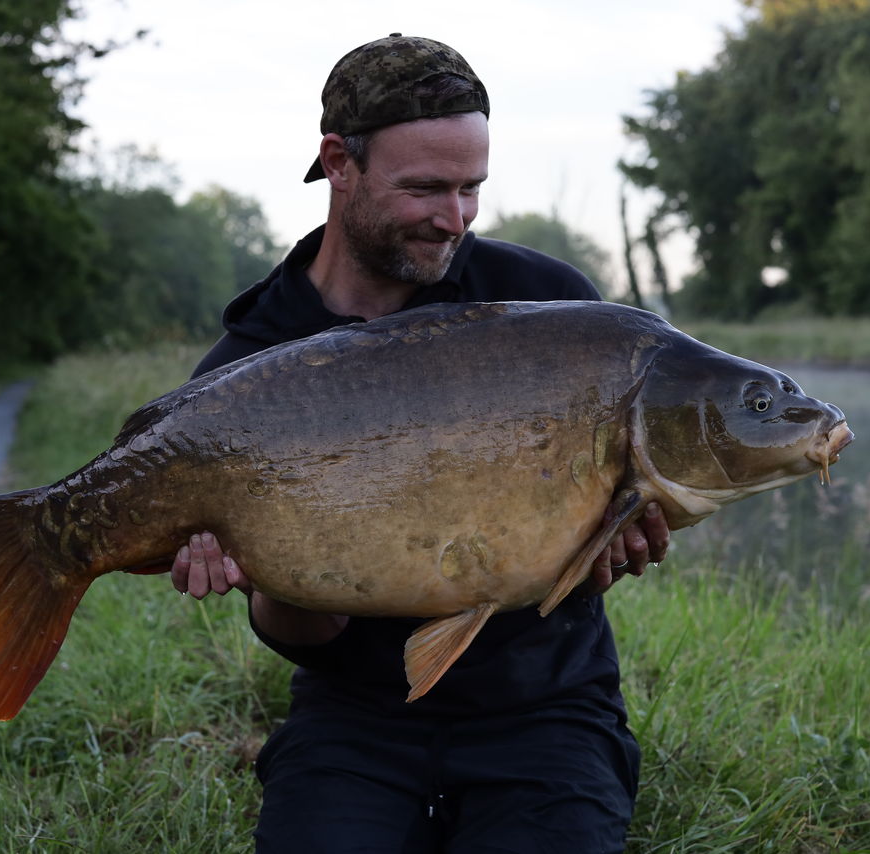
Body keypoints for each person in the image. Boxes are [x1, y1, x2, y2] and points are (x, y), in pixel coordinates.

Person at [170, 34, 670, 853]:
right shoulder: (249, 369)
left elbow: (598, 530)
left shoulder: (552, 311)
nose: (455, 218)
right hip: (357, 717)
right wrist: (263, 567)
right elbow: (302, 636)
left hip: (546, 709)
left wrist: (607, 544)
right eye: (426, 188)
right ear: (340, 163)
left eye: (472, 188)